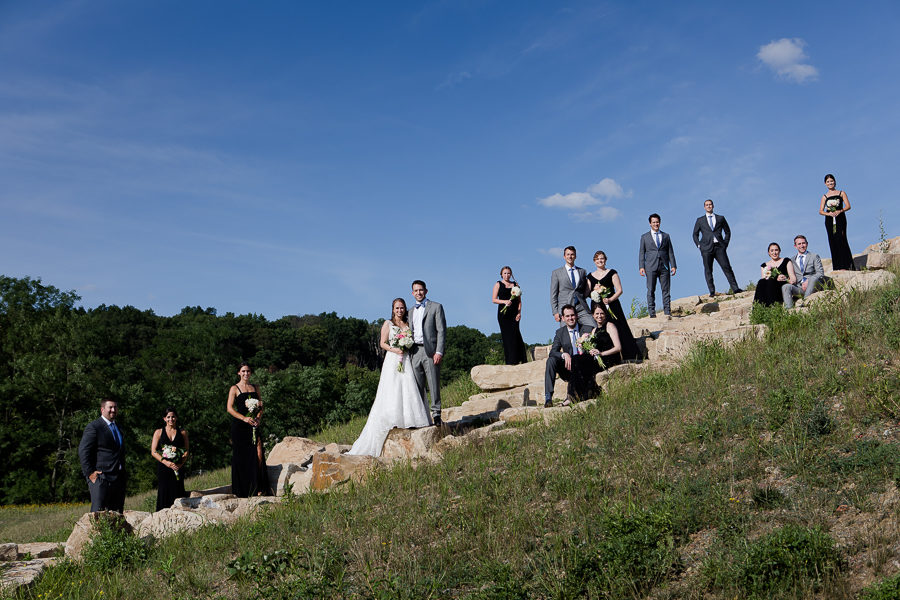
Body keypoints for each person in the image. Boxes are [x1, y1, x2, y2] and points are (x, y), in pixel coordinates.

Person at [348, 298, 432, 456]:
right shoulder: (388, 324)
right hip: (393, 359)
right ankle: (394, 418)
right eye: (397, 308)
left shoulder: (407, 324)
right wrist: (396, 350)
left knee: (409, 387)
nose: (399, 310)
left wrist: (405, 346)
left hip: (406, 359)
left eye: (402, 308)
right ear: (393, 309)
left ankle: (411, 419)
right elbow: (382, 343)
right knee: (393, 388)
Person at [226, 362, 272, 497]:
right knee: (242, 457)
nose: (246, 374)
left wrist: (258, 417)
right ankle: (244, 490)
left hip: (254, 425)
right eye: (243, 371)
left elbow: (261, 406)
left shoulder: (255, 387)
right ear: (239, 373)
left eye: (248, 371)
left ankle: (259, 486)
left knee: (258, 454)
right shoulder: (234, 388)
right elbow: (229, 408)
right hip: (240, 427)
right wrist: (244, 418)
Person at [585, 251, 639, 361]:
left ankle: (629, 355)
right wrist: (594, 294)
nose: (600, 261)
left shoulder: (612, 273)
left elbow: (619, 290)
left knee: (619, 327)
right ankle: (604, 355)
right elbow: (586, 293)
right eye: (597, 259)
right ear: (594, 261)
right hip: (597, 307)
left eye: (602, 258)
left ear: (605, 260)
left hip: (612, 305)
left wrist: (610, 299)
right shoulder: (590, 276)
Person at [543, 305, 600, 407]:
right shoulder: (560, 332)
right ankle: (548, 398)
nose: (570, 318)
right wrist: (563, 354)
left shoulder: (587, 329)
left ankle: (571, 396)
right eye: (567, 316)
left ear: (577, 315)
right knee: (551, 360)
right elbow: (553, 352)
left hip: (584, 367)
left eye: (572, 315)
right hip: (568, 367)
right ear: (563, 318)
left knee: (578, 359)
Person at [78, 398, 127, 513]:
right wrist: (90, 473)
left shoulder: (119, 427)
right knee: (98, 513)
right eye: (110, 407)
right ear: (102, 409)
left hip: (118, 477)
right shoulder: (94, 427)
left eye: (115, 407)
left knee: (117, 514)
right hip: (101, 477)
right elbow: (83, 451)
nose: (113, 410)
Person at [409, 280, 446, 425]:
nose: (418, 293)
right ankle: (420, 417)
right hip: (414, 351)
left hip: (430, 351)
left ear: (426, 291)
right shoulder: (411, 311)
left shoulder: (436, 307)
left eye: (421, 290)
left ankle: (436, 414)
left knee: (433, 383)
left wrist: (439, 351)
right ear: (412, 293)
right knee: (416, 386)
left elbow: (441, 331)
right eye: (416, 291)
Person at [691, 199, 742, 296]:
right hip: (706, 248)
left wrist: (725, 244)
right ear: (704, 207)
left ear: (713, 206)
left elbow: (727, 232)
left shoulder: (720, 218)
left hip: (719, 247)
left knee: (727, 267)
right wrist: (699, 245)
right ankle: (712, 292)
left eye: (710, 204)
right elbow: (694, 234)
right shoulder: (700, 220)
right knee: (708, 270)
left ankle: (735, 289)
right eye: (707, 205)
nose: (709, 206)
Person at [150, 407, 189, 511]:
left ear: (176, 418)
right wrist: (166, 463)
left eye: (173, 417)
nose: (171, 419)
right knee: (164, 492)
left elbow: (186, 451)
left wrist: (181, 464)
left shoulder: (183, 432)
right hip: (164, 468)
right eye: (168, 417)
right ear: (164, 419)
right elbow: (153, 451)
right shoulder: (158, 432)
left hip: (178, 467)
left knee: (178, 491)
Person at [638, 214, 677, 319]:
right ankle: (652, 313)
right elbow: (642, 253)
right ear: (650, 223)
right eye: (654, 222)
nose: (656, 224)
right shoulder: (644, 237)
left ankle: (667, 311)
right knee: (651, 290)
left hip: (664, 266)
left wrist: (673, 265)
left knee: (666, 290)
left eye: (657, 222)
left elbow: (670, 252)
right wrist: (641, 267)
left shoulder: (666, 236)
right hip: (650, 266)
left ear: (660, 222)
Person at [550, 246, 595, 331]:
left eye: (572, 254)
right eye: (568, 254)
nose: (570, 256)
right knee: (566, 334)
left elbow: (586, 290)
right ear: (564, 256)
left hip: (581, 307)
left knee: (594, 327)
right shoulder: (556, 273)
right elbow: (553, 294)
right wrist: (555, 312)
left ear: (575, 256)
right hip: (565, 309)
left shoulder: (582, 271)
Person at [819, 173, 856, 271]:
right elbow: (821, 211)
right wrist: (829, 214)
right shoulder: (824, 196)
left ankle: (847, 265)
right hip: (829, 220)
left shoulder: (841, 193)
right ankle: (837, 266)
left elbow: (848, 206)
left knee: (842, 239)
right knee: (833, 241)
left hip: (840, 218)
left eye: (831, 181)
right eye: (828, 182)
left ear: (835, 182)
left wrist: (840, 211)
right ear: (825, 184)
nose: (830, 183)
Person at [492, 266, 527, 365]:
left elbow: (519, 302)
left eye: (508, 273)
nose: (507, 275)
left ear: (511, 274)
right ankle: (510, 361)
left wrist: (519, 313)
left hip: (514, 315)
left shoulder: (515, 285)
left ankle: (521, 360)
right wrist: (504, 302)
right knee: (507, 337)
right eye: (505, 273)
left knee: (516, 335)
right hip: (503, 315)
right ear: (501, 274)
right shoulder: (498, 284)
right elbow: (494, 299)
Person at [782, 235, 825, 308]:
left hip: (813, 285)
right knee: (786, 286)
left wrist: (809, 281)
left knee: (813, 279)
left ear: (807, 244)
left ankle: (805, 304)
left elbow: (820, 273)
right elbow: (790, 275)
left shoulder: (814, 256)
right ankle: (789, 310)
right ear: (795, 246)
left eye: (803, 243)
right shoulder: (791, 260)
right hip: (800, 288)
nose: (802, 245)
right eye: (799, 244)